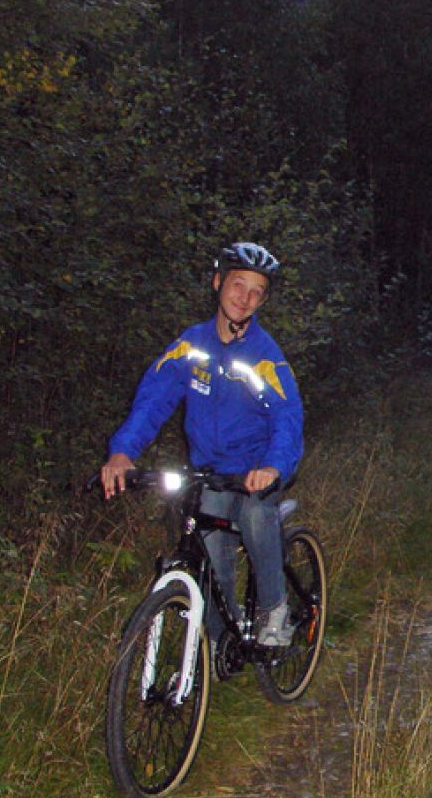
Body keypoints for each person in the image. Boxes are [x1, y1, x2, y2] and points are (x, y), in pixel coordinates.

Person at [100, 241, 304, 646]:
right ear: (217, 282)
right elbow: (153, 401)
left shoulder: (265, 356)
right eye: (238, 285)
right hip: (210, 471)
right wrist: (122, 453)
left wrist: (273, 466)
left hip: (255, 469)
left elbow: (287, 417)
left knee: (255, 517)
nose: (245, 298)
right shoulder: (191, 346)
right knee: (213, 561)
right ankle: (217, 645)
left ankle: (275, 611)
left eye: (257, 292)